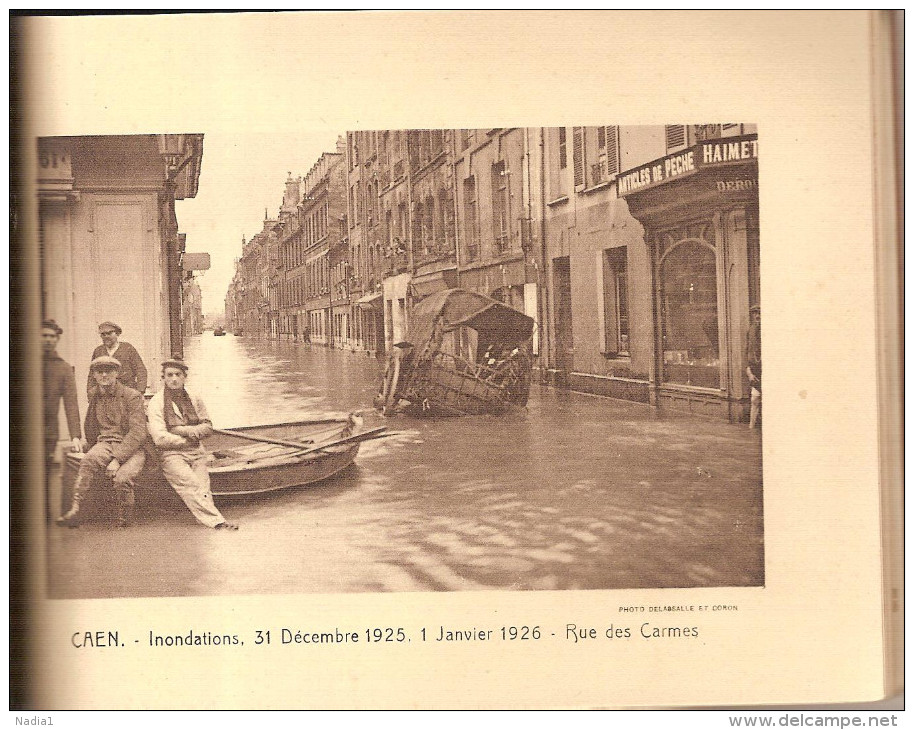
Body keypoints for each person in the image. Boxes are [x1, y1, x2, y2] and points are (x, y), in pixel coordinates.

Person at [146, 358, 238, 530]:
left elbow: (208, 426)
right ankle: (218, 523)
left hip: (196, 451)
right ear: (163, 378)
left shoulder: (194, 397)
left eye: (178, 375)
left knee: (204, 488)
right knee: (191, 484)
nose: (174, 379)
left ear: (184, 377)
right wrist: (187, 437)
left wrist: (184, 430)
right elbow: (159, 438)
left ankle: (203, 520)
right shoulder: (156, 403)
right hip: (171, 454)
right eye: (169, 375)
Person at [57, 356, 147, 528]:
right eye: (99, 372)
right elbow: (92, 428)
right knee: (88, 460)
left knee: (122, 478)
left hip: (132, 447)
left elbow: (138, 433)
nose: (104, 375)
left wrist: (117, 460)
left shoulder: (131, 396)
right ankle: (75, 508)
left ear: (117, 373)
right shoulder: (95, 396)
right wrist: (85, 443)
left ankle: (125, 519)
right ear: (95, 375)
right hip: (105, 443)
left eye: (109, 371)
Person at [42, 319, 83, 517]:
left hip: (48, 431)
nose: (48, 340)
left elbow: (71, 403)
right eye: (44, 336)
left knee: (44, 472)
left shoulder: (63, 368)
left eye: (51, 336)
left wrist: (76, 435)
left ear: (57, 339)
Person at [87, 321, 148, 396]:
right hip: (105, 395)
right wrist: (90, 393)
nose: (106, 336)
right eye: (103, 334)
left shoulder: (127, 348)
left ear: (117, 334)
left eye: (109, 333)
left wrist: (140, 392)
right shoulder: (99, 351)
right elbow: (92, 374)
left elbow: (140, 370)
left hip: (126, 393)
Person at [746, 305, 762, 429]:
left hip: (767, 370)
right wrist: (749, 372)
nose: (757, 316)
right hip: (755, 371)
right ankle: (751, 427)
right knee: (754, 400)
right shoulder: (751, 331)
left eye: (760, 313)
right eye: (755, 313)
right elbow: (748, 352)